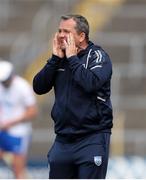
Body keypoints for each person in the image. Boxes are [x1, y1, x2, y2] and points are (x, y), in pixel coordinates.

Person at [33, 14, 113, 179]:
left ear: (81, 36)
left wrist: (72, 58)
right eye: (59, 30)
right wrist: (55, 59)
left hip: (91, 138)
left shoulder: (97, 56)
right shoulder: (59, 59)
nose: (61, 35)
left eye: (66, 31)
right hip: (63, 140)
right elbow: (38, 87)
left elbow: (91, 83)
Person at [0, 60, 37, 179]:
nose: (4, 84)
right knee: (14, 166)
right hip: (3, 130)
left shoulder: (23, 87)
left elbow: (32, 111)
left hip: (19, 133)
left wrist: (11, 122)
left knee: (18, 170)